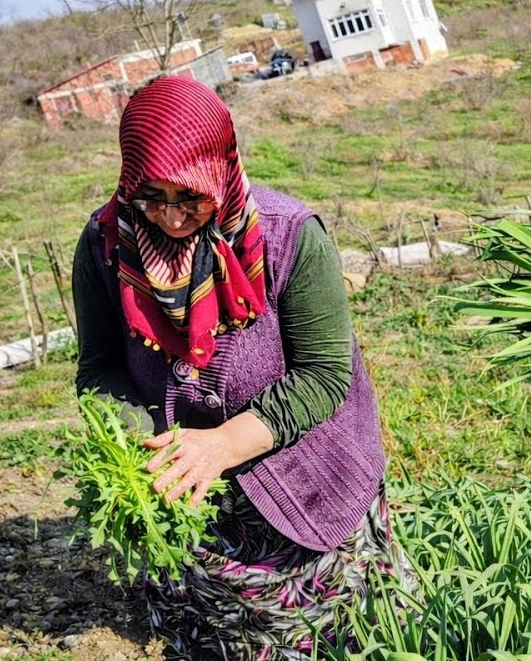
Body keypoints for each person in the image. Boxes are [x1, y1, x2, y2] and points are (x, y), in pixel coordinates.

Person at [72, 76, 417, 659]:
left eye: (191, 198)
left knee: (347, 634)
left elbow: (325, 374)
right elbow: (99, 366)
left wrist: (223, 445)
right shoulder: (107, 244)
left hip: (302, 464)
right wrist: (144, 440)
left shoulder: (287, 237)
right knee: (212, 635)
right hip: (187, 481)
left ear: (221, 171)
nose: (172, 218)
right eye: (151, 197)